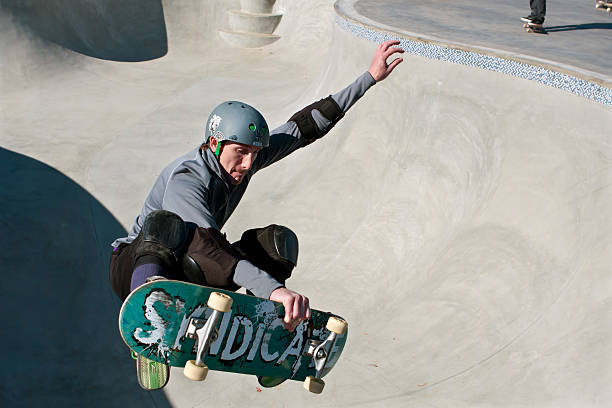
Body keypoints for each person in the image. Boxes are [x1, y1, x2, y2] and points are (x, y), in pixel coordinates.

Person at [109, 40, 404, 333]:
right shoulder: (187, 177)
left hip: (191, 270)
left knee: (277, 242)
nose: (248, 164)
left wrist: (369, 78)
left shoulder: (243, 161)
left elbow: (303, 128)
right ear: (215, 143)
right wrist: (273, 289)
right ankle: (147, 311)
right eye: (241, 152)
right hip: (136, 267)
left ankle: (270, 331)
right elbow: (208, 245)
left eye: (255, 153)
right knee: (164, 225)